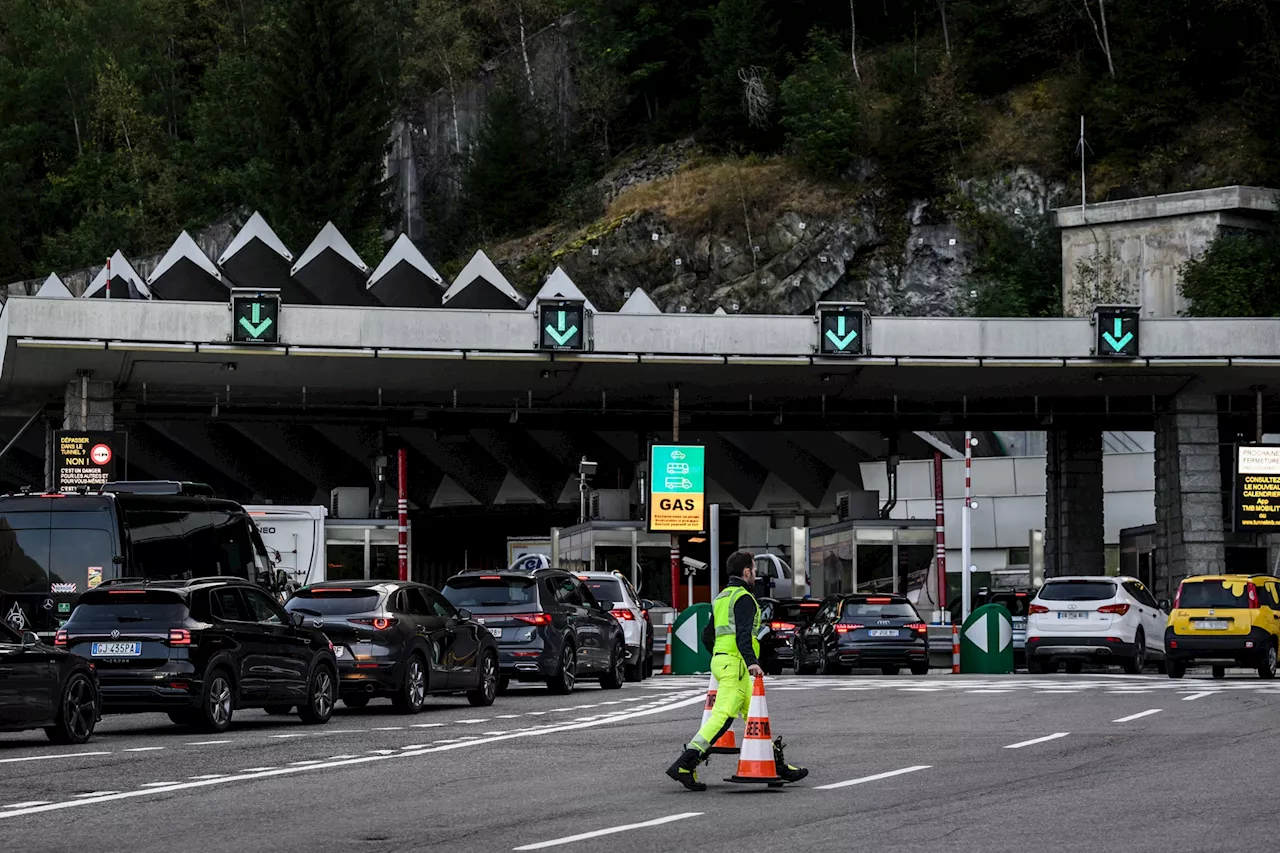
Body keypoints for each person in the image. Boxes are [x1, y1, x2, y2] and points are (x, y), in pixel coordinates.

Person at [666, 549, 807, 790]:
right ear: (746, 572)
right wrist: (752, 661)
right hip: (737, 664)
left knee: (754, 716)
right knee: (722, 718)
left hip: (725, 661)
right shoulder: (744, 598)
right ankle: (685, 763)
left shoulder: (722, 597)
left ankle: (776, 765)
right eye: (754, 569)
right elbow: (743, 635)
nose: (755, 574)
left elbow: (707, 635)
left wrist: (720, 655)